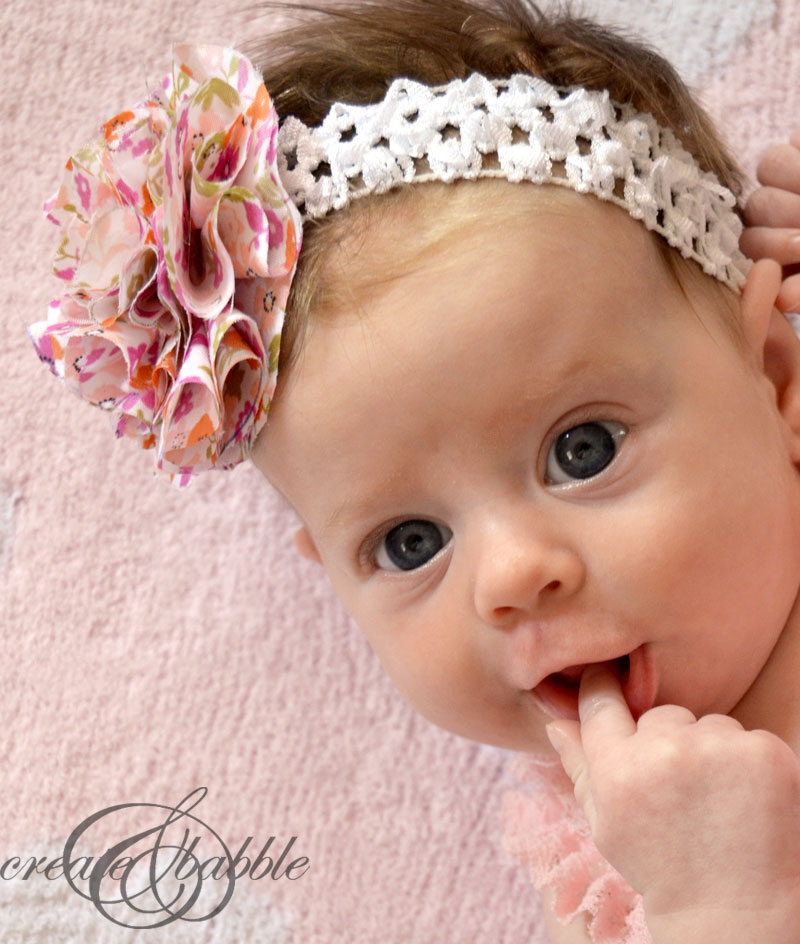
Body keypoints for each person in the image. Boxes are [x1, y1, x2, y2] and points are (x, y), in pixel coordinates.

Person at [26, 1, 800, 940]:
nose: (515, 574)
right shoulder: (619, 852)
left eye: (581, 450)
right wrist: (716, 911)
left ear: (774, 377)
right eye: (411, 542)